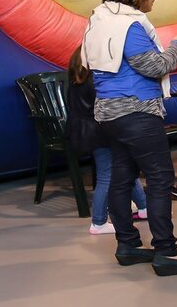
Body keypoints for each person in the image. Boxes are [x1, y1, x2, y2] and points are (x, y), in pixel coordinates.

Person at [82, 0, 177, 276]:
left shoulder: (99, 21)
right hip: (137, 112)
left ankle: (128, 244)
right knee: (160, 177)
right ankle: (167, 251)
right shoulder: (130, 26)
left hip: (109, 114)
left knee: (122, 177)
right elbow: (153, 66)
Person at [65, 47, 149, 237]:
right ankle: (99, 222)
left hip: (87, 132)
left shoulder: (77, 80)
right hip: (101, 133)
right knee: (107, 176)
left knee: (127, 167)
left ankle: (144, 207)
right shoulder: (96, 81)